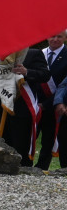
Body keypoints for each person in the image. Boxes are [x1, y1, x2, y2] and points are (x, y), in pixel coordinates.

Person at [35, 30, 67, 170]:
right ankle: (26, 164)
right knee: (31, 135)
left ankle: (43, 167)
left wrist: (47, 104)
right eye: (52, 36)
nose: (55, 39)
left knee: (49, 139)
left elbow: (64, 85)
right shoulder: (38, 54)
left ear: (65, 38)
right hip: (35, 103)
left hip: (56, 106)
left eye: (59, 36)